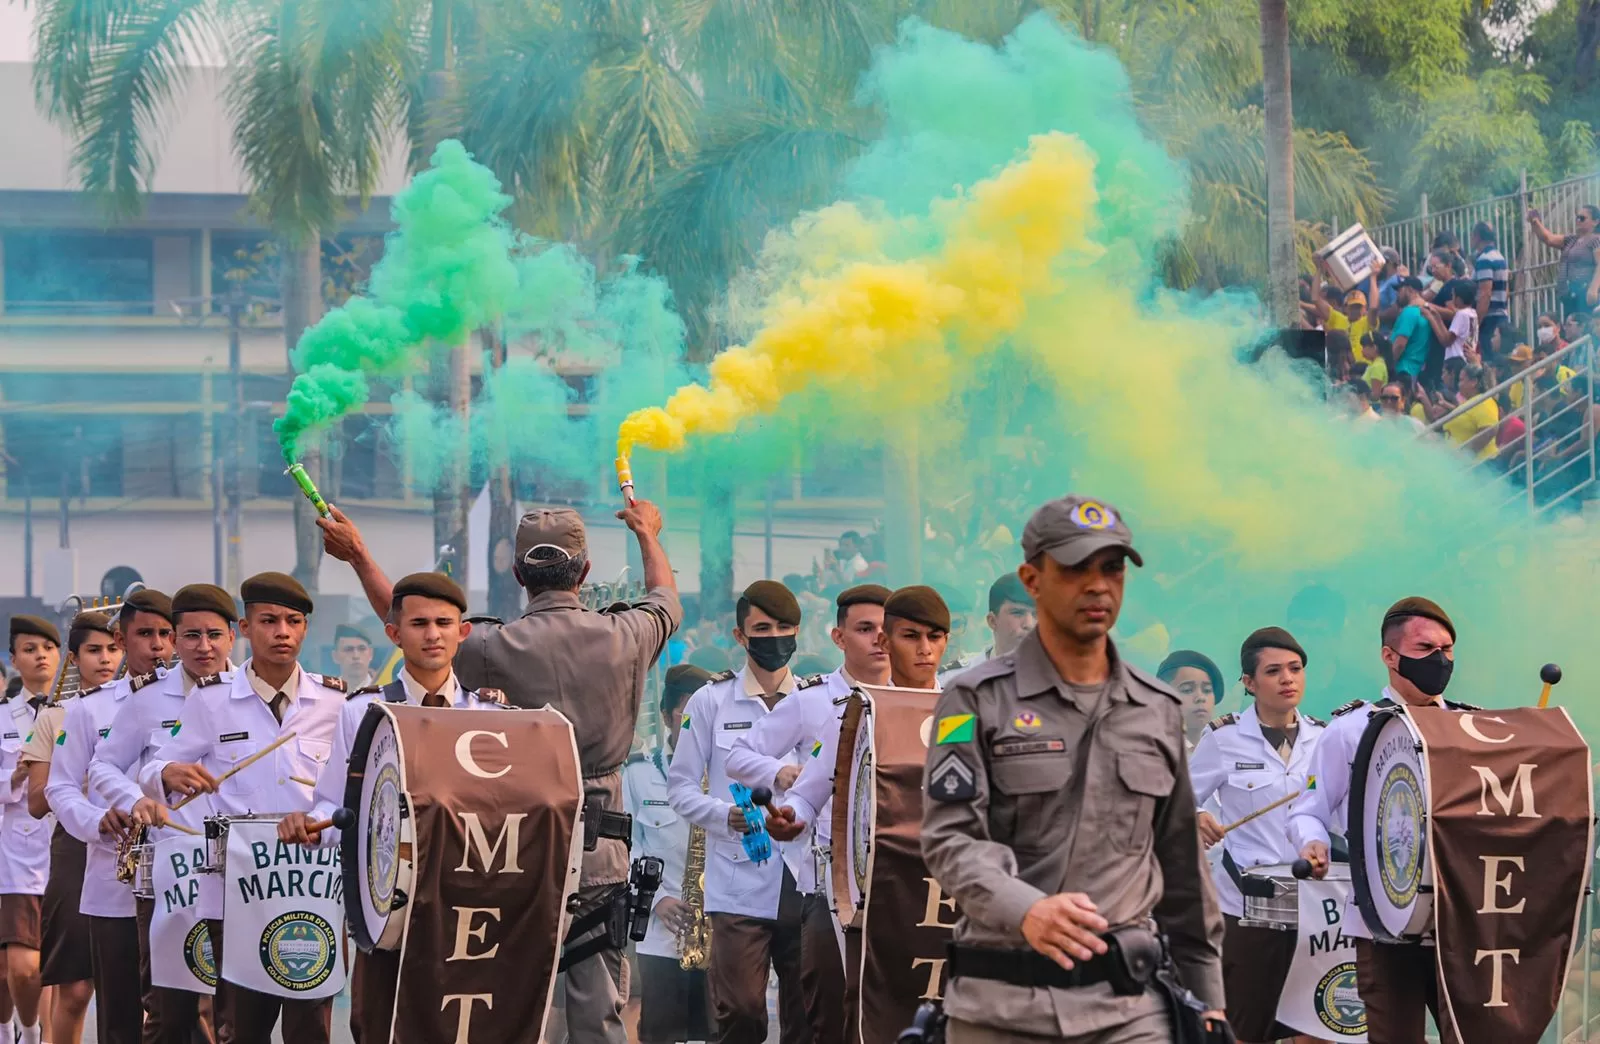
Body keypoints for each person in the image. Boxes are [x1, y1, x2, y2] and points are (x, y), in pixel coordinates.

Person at [318, 499, 678, 1044]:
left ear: (517, 575)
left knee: (509, 1006)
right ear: (583, 572)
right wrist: (648, 534)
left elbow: (416, 627)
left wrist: (359, 556)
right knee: (598, 1012)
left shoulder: (487, 645)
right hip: (600, 851)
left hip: (514, 854)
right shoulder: (627, 635)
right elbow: (665, 599)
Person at [920, 494, 1224, 1044]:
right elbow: (951, 836)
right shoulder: (969, 701)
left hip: (1131, 1011)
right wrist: (1026, 909)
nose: (1098, 585)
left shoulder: (1157, 709)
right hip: (1001, 1009)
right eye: (1076, 568)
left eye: (1111, 568)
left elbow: (1182, 868)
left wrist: (1211, 1004)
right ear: (1032, 580)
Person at [275, 572, 504, 1044]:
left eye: (445, 622)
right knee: (376, 1024)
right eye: (419, 623)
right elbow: (335, 804)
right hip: (386, 907)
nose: (433, 634)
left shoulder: (493, 717)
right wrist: (312, 824)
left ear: (463, 632)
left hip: (465, 908)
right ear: (394, 634)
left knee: (460, 1026)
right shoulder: (363, 711)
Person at [137, 572, 345, 1044]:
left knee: (309, 1027)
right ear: (246, 629)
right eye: (268, 620)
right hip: (235, 890)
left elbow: (346, 793)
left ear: (306, 629)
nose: (283, 632)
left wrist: (322, 824)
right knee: (241, 1028)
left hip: (309, 887)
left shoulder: (334, 704)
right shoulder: (211, 702)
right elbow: (158, 765)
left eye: (294, 621)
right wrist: (167, 774)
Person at [1289, 597, 1475, 1042]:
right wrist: (1310, 841)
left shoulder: (1471, 727)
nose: (1440, 659)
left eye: (1447, 650)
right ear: (1389, 656)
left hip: (1459, 920)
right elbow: (1308, 807)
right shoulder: (1351, 730)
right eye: (1425, 648)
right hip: (1383, 922)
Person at [725, 583, 891, 1044]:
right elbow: (745, 760)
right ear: (839, 637)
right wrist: (783, 775)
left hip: (901, 882)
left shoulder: (929, 702)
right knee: (832, 1015)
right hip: (827, 878)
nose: (879, 639)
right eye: (865, 629)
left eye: (886, 629)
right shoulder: (819, 701)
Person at [89, 584, 233, 1044]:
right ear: (176, 640)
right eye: (190, 635)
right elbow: (102, 765)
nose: (203, 647)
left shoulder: (249, 693)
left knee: (233, 1005)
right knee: (170, 1009)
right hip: (169, 866)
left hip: (240, 869)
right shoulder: (147, 698)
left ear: (233, 637)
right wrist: (138, 798)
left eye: (214, 634)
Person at [667, 581, 809, 1044]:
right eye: (762, 628)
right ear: (740, 636)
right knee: (743, 1011)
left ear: (798, 632)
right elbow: (681, 787)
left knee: (806, 1014)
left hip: (805, 881)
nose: (774, 637)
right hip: (737, 880)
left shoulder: (817, 701)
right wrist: (723, 814)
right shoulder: (711, 701)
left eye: (784, 627)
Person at [46, 589, 174, 1044]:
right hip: (114, 878)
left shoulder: (203, 701)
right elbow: (58, 786)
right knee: (120, 1016)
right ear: (122, 638)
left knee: (189, 1013)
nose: (156, 645)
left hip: (184, 881)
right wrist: (95, 820)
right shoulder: (89, 708)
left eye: (165, 634)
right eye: (144, 634)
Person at [1189, 628, 1326, 1044]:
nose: (1288, 679)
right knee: (1247, 1027)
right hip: (1249, 907)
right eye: (1273, 671)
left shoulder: (1324, 737)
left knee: (1320, 1024)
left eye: (1295, 668)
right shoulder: (1224, 738)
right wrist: (1195, 816)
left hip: (1316, 907)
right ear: (1249, 683)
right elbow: (1180, 798)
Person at [20, 610, 120, 1044]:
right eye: (94, 651)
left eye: (113, 649)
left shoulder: (143, 705)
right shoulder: (55, 716)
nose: (105, 659)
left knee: (135, 985)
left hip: (134, 841)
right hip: (75, 846)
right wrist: (75, 774)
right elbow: (37, 802)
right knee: (76, 987)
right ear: (75, 659)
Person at [622, 664, 715, 1044]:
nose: (696, 725)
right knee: (660, 1033)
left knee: (723, 1030)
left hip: (721, 931)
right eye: (686, 714)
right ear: (665, 716)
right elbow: (625, 847)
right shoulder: (638, 775)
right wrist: (656, 899)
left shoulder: (731, 776)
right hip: (661, 934)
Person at [1, 616, 61, 1044]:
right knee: (18, 968)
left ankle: (38, 1033)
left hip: (69, 846)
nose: (40, 655)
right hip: (16, 855)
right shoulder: (3, 716)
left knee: (57, 969)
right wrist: (17, 776)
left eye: (48, 647)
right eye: (29, 648)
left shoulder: (79, 711)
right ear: (14, 659)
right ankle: (22, 1031)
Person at [1528, 204, 1600, 318]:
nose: (1578, 220)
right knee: (1572, 329)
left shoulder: (1596, 239)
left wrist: (1593, 289)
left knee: (1585, 327)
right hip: (1568, 295)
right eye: (1577, 217)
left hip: (1584, 293)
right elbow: (1549, 239)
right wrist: (1535, 222)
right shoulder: (1571, 240)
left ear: (1595, 222)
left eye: (1582, 218)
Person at [1156, 649, 1224, 750]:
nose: (1200, 698)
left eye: (1207, 690)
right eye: (1187, 690)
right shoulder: (1151, 750)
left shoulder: (1226, 749)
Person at [1441, 365, 1500, 461]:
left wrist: (1464, 455)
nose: (1458, 384)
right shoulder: (1471, 402)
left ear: (1473, 382)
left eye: (1461, 380)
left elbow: (1489, 430)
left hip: (1479, 466)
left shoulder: (1484, 401)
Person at [1471, 222, 1511, 361]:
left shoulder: (1484, 260)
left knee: (1489, 362)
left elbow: (1485, 294)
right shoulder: (1500, 257)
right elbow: (1506, 290)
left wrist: (1476, 324)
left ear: (1477, 237)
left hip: (1489, 320)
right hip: (1501, 316)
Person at [1390, 277, 1436, 383]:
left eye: (1400, 290)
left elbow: (1400, 344)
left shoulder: (1409, 312)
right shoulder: (1424, 312)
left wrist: (1388, 366)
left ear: (1410, 289)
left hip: (1402, 369)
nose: (1397, 294)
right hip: (1415, 370)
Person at [329, 624, 375, 691]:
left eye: (362, 649)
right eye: (348, 649)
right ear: (335, 656)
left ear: (371, 653)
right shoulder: (326, 692)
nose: (356, 656)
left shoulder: (384, 689)